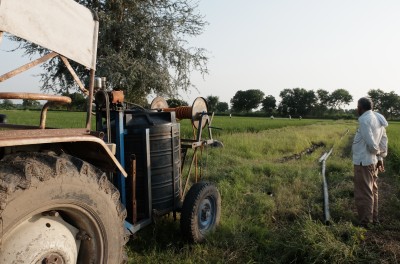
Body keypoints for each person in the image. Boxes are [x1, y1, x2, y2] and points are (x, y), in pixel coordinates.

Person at [352, 97, 388, 227]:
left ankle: (366, 222)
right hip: (372, 162)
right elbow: (384, 139)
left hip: (364, 162)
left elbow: (371, 144)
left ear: (360, 108)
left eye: (357, 107)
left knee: (363, 192)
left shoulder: (364, 120)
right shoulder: (378, 118)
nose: (357, 109)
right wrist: (380, 157)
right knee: (373, 190)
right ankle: (374, 218)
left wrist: (377, 153)